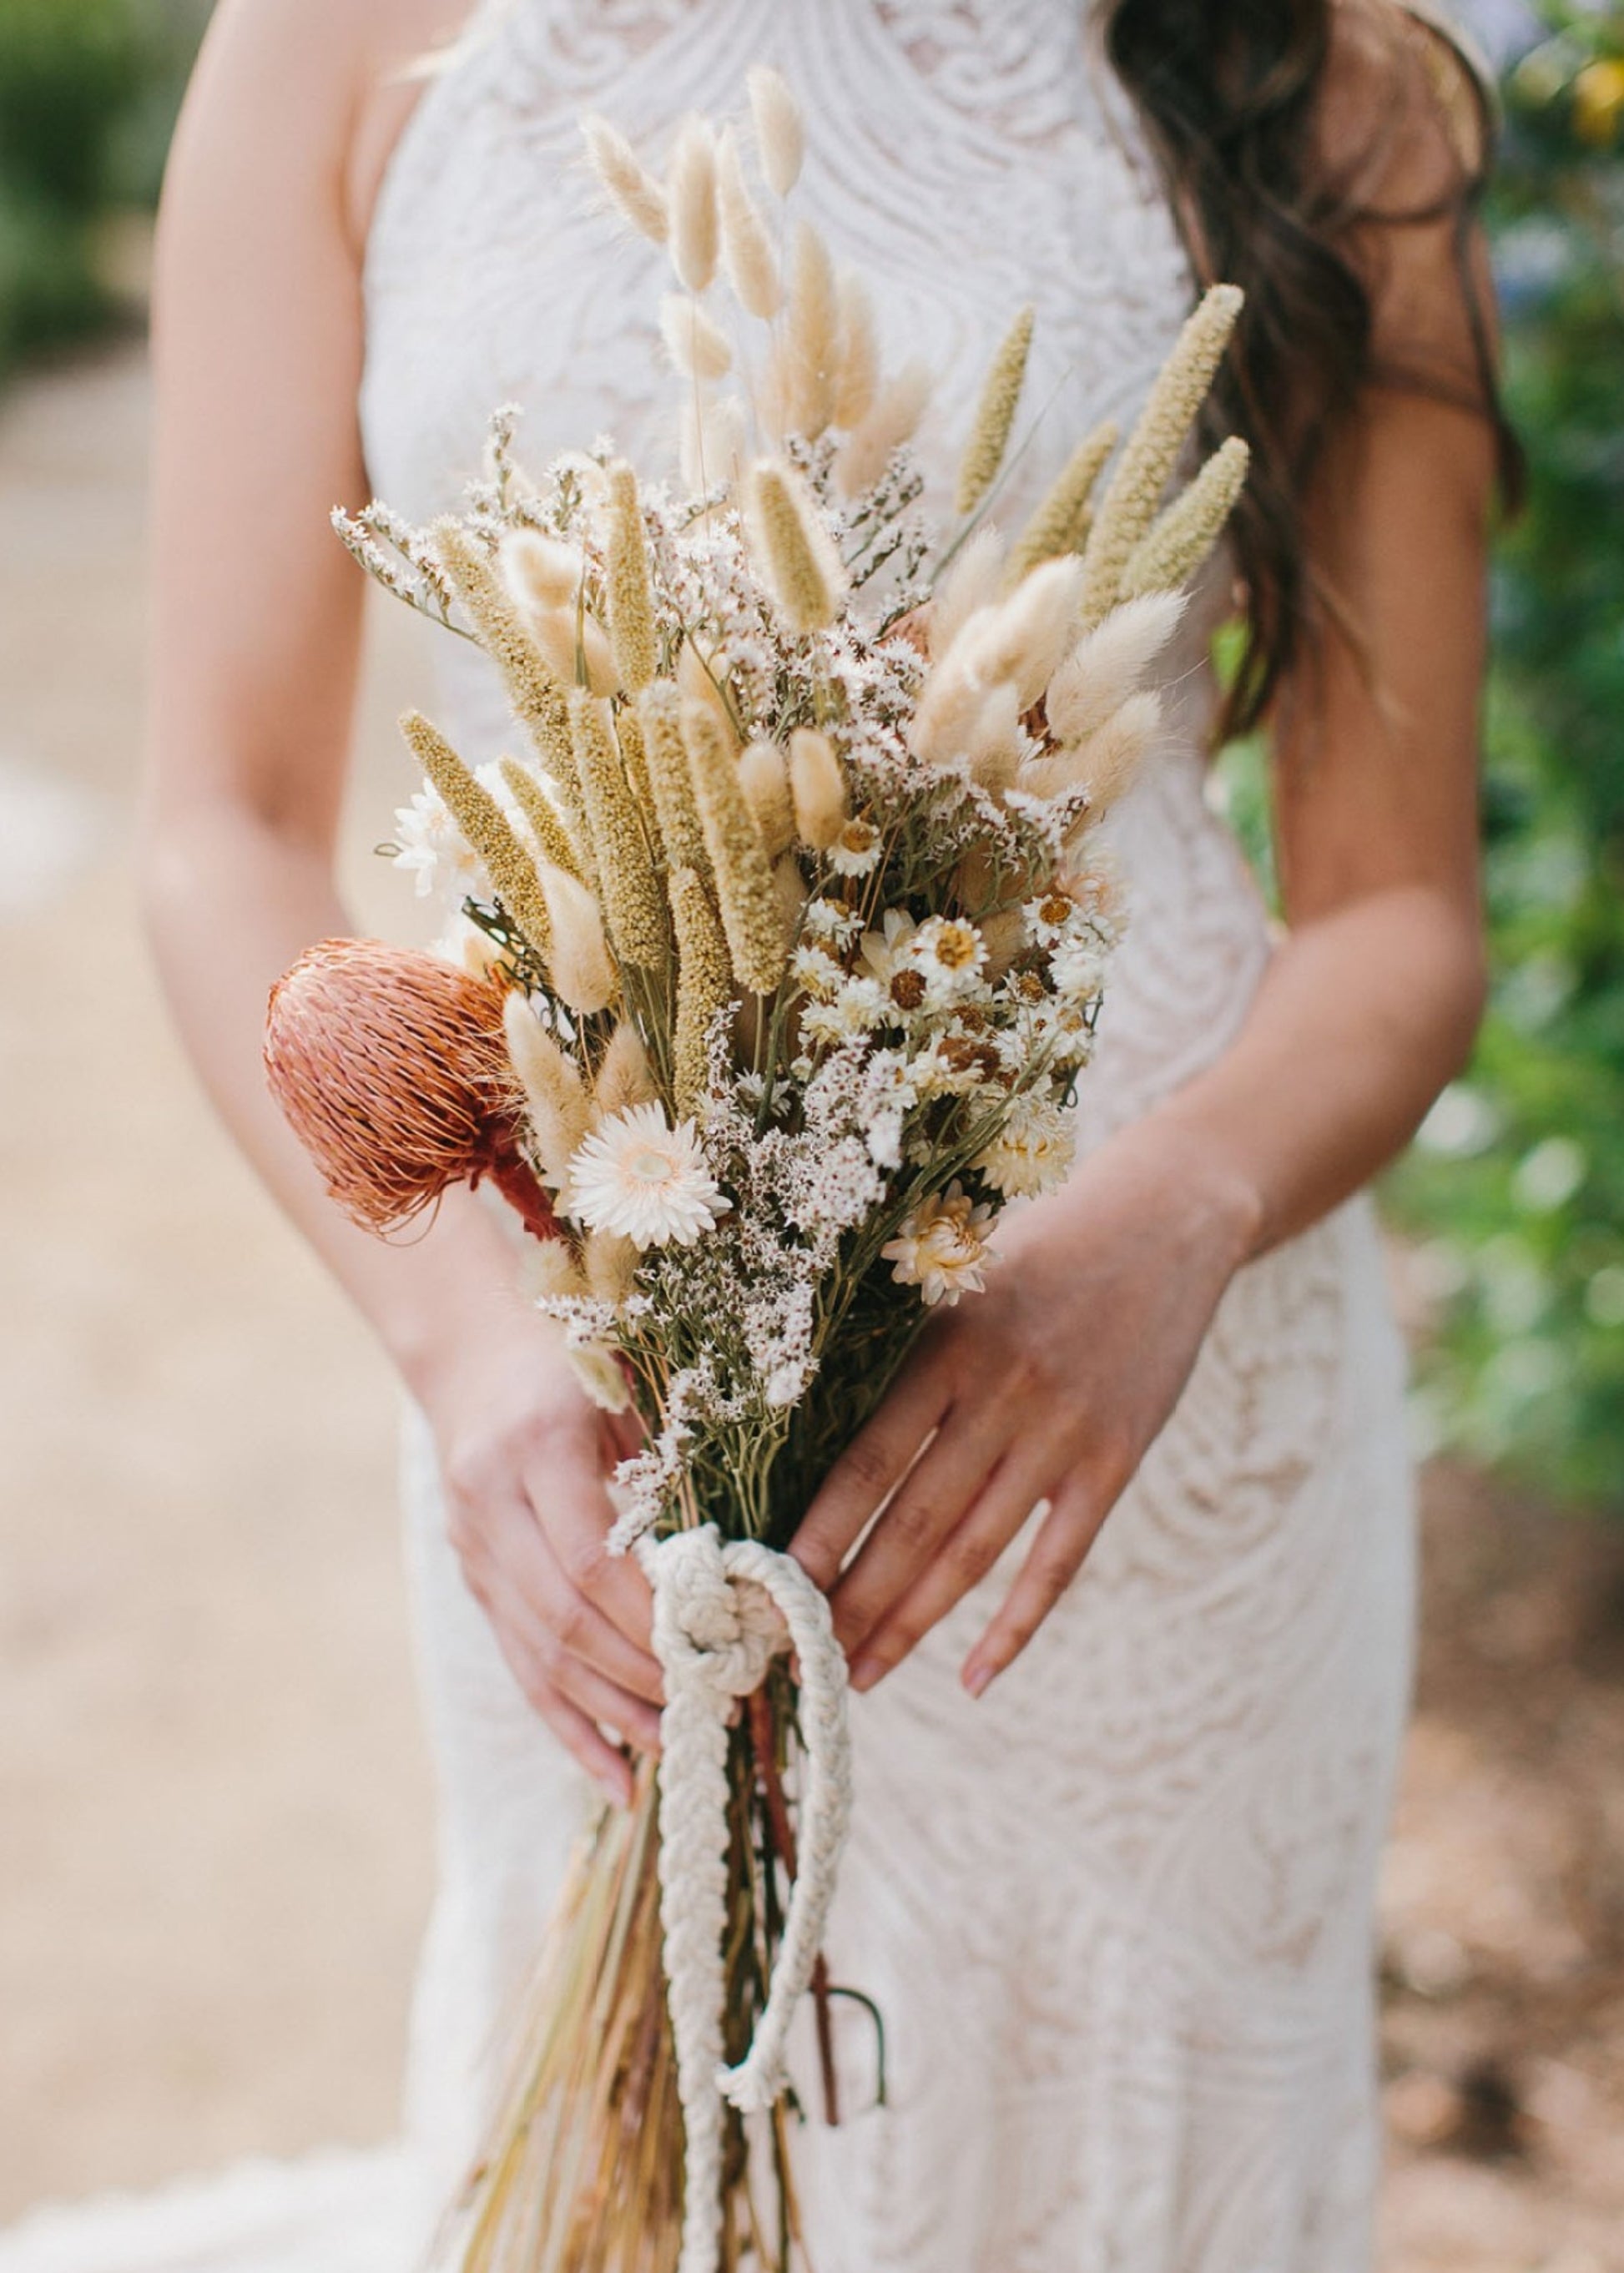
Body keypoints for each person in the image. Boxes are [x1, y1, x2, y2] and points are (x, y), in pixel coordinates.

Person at [3, 2, 1512, 2268]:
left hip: (1145, 1422)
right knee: (642, 2140)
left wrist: (1163, 1226)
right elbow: (220, 828)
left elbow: (1395, 908)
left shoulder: (1313, 70)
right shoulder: (338, 37)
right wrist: (473, 1360)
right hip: (589, 1371)